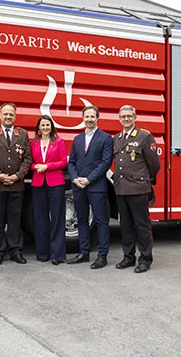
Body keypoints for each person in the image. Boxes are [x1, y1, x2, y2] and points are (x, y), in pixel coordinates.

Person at [112, 105, 160, 274]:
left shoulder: (144, 136)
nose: (126, 119)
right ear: (119, 119)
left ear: (135, 118)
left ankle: (145, 259)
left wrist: (145, 181)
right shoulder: (116, 138)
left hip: (138, 189)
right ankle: (128, 257)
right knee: (125, 226)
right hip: (121, 189)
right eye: (123, 116)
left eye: (129, 116)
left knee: (141, 225)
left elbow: (154, 164)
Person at [0, 103, 32, 265]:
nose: (8, 117)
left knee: (14, 221)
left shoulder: (22, 135)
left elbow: (27, 159)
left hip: (16, 185)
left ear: (15, 116)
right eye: (5, 114)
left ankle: (15, 251)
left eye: (11, 114)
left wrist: (18, 176)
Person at [67, 105, 113, 269]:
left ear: (97, 118)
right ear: (83, 118)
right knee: (82, 220)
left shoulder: (105, 138)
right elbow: (71, 162)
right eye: (87, 117)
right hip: (79, 186)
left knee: (101, 221)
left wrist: (88, 179)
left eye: (92, 116)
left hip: (96, 186)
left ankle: (102, 256)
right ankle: (83, 253)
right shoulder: (77, 139)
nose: (89, 119)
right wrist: (74, 178)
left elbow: (105, 163)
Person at [29, 115, 67, 265]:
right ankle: (42, 253)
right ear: (38, 128)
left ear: (51, 127)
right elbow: (29, 163)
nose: (45, 128)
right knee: (40, 219)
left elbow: (63, 162)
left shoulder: (59, 142)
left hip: (55, 183)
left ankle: (57, 254)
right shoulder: (33, 143)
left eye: (47, 125)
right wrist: (36, 167)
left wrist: (47, 166)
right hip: (38, 183)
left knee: (57, 218)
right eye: (42, 125)